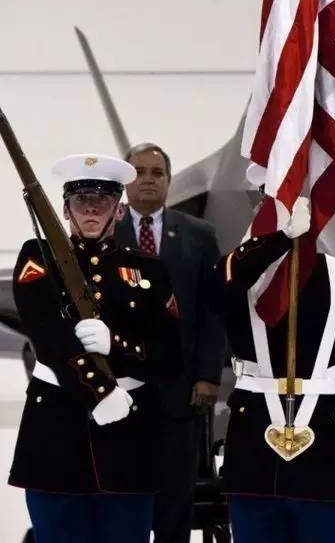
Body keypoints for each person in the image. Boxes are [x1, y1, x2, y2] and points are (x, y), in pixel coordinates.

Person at [10, 154, 181, 543]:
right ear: (65, 210)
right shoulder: (38, 257)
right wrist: (100, 390)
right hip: (57, 431)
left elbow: (169, 356)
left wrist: (115, 344)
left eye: (101, 201)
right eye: (81, 200)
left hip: (128, 436)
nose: (90, 208)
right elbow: (46, 333)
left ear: (119, 210)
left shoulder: (149, 270)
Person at [210, 189, 335, 543]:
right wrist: (279, 239)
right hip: (254, 449)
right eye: (274, 204)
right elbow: (217, 284)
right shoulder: (241, 272)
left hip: (325, 447)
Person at [115, 142, 227, 543]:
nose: (148, 180)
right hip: (122, 392)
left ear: (169, 179)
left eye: (156, 173)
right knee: (124, 496)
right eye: (139, 172)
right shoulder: (106, 231)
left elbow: (213, 311)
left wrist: (208, 375)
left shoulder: (199, 234)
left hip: (180, 391)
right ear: (125, 180)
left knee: (176, 499)